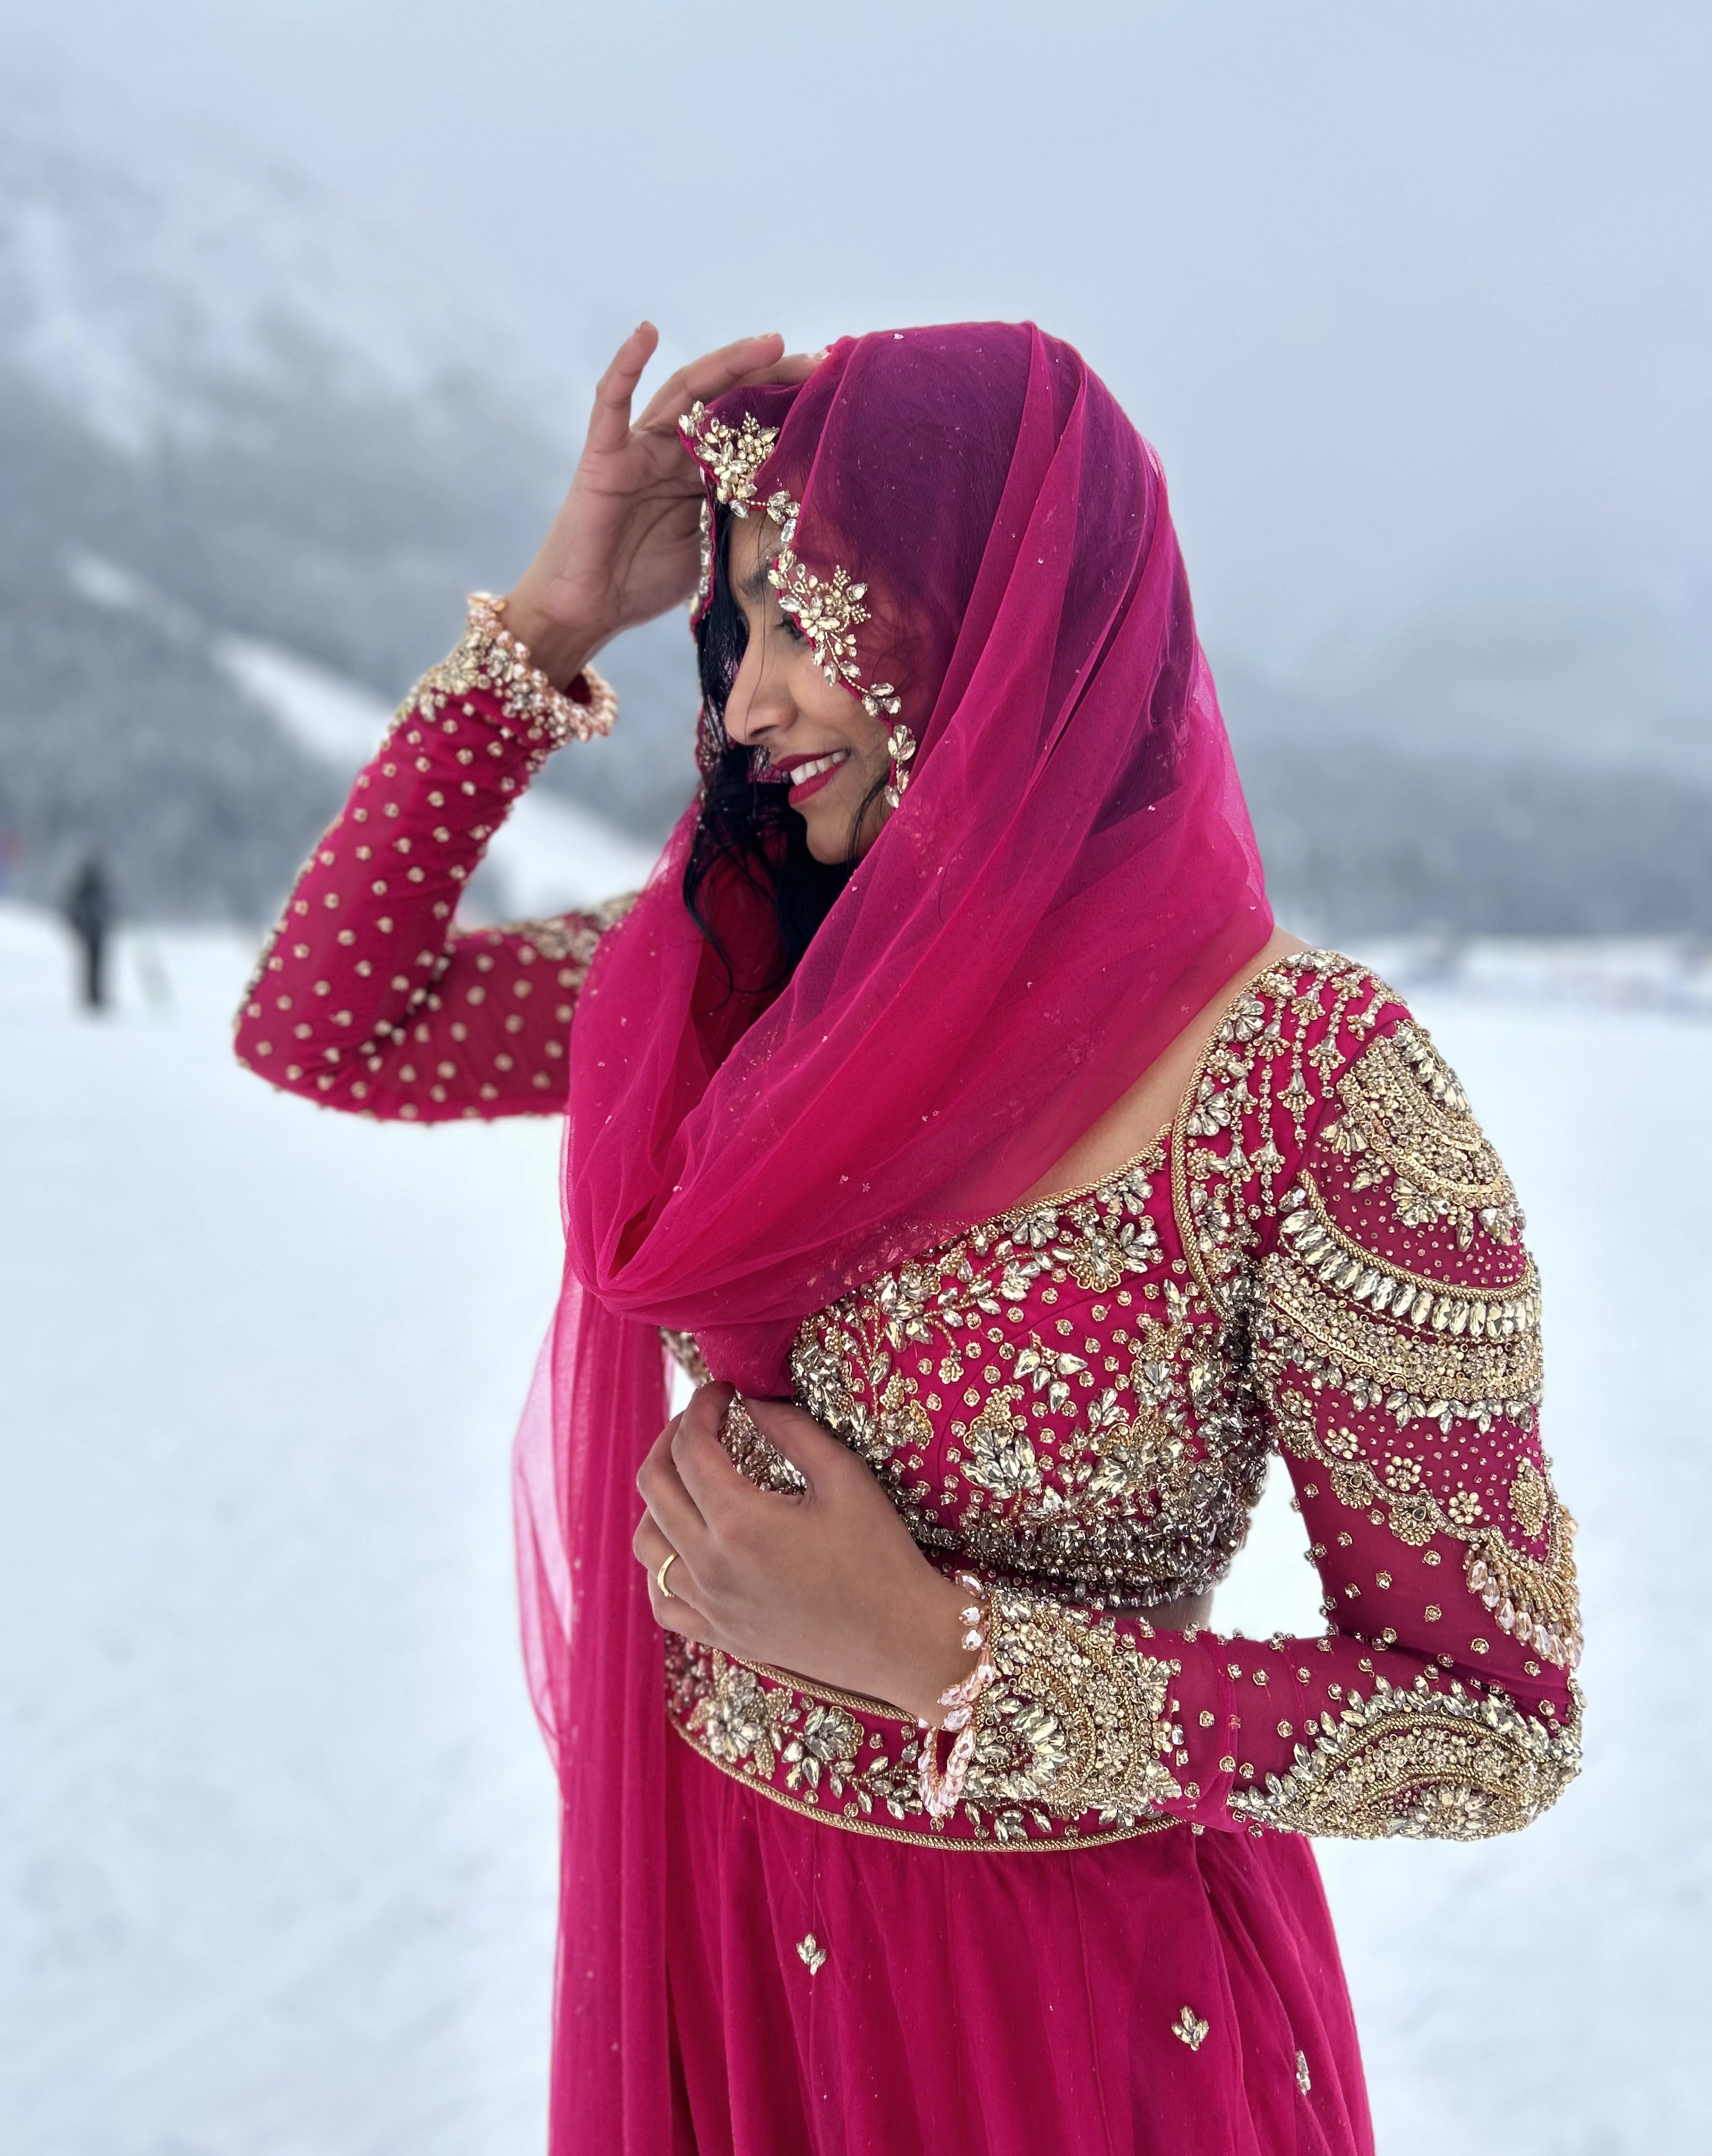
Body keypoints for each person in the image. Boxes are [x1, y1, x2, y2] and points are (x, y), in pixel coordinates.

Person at [235, 322, 1582, 2156]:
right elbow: (331, 1018)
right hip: (726, 1963)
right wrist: (549, 622)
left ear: (999, 619)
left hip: (1075, 2031)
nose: (745, 706)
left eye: (808, 621)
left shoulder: (1302, 1085)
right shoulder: (746, 989)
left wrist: (946, 1653)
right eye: (740, 630)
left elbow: (1488, 1718)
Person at [63, 854, 113, 1011]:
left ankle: (95, 996)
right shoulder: (87, 886)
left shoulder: (95, 885)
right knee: (92, 966)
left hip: (97, 932)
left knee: (96, 966)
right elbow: (74, 910)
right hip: (91, 932)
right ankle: (92, 996)